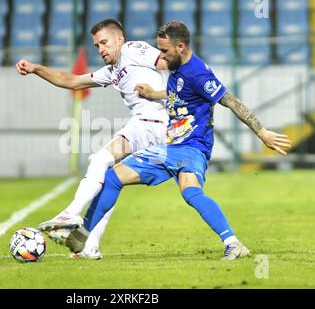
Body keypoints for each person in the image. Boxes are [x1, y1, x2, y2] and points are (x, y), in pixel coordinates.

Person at [62, 21, 292, 260]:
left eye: (164, 50)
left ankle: (83, 233)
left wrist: (261, 131)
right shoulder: (176, 70)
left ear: (180, 47)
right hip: (178, 148)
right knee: (191, 193)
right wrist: (153, 93)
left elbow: (230, 100)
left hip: (190, 148)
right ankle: (233, 243)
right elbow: (179, 94)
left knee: (112, 177)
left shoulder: (198, 73)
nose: (160, 55)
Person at [16, 19, 169, 259]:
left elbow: (169, 62)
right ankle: (90, 246)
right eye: (97, 45)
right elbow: (73, 81)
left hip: (154, 123)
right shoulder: (112, 71)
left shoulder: (134, 49)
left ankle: (71, 214)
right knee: (109, 179)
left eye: (104, 43)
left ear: (120, 39)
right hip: (146, 125)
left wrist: (170, 89)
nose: (101, 49)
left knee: (100, 160)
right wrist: (37, 69)